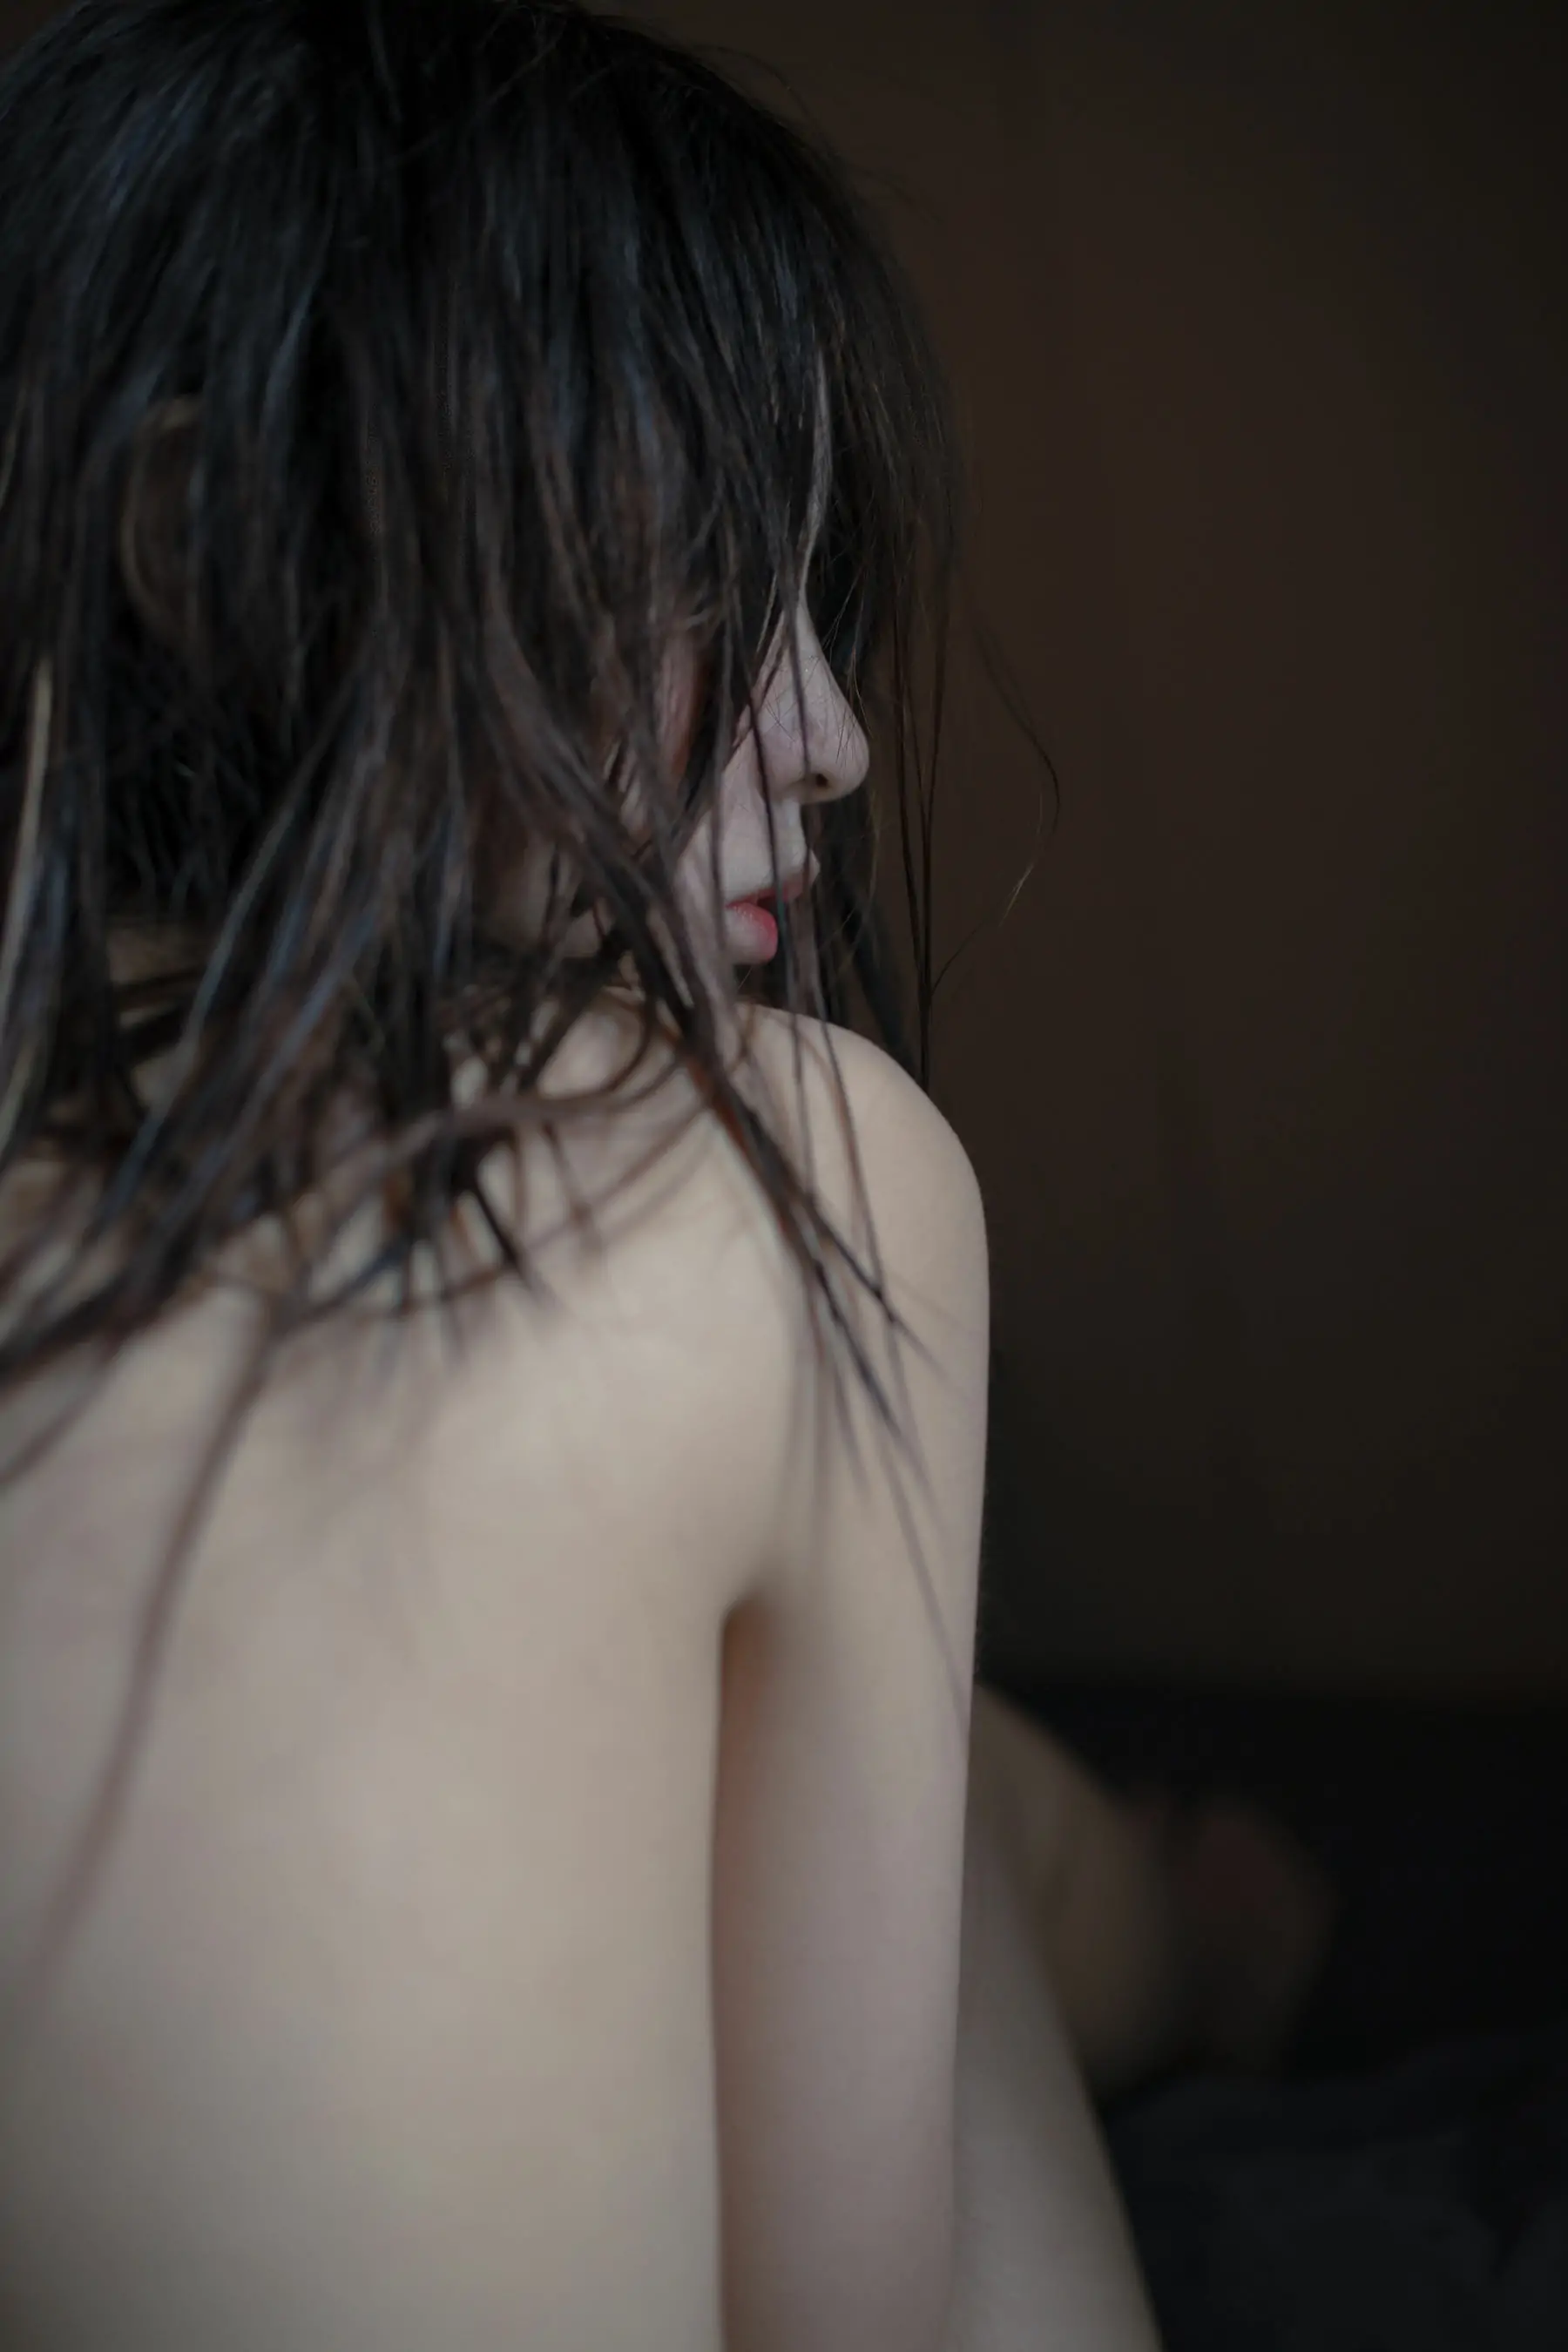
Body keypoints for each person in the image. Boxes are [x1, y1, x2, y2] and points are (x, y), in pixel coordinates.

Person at [0, 4, 1327, 2345]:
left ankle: (1140, 1901)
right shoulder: (773, 1161)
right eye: (714, 580)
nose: (831, 739)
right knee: (929, 1865)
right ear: (208, 550)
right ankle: (1180, 1933)